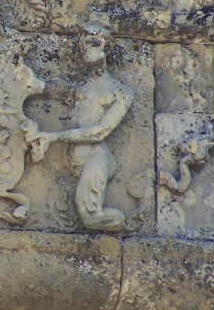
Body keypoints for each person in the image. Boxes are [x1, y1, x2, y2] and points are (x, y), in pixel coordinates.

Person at [24, 26, 133, 231]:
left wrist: (53, 137)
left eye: (94, 43)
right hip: (72, 163)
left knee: (91, 217)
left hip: (96, 159)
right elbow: (47, 89)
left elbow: (99, 132)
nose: (86, 49)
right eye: (84, 43)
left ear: (106, 47)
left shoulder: (120, 93)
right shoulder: (79, 85)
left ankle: (128, 222)